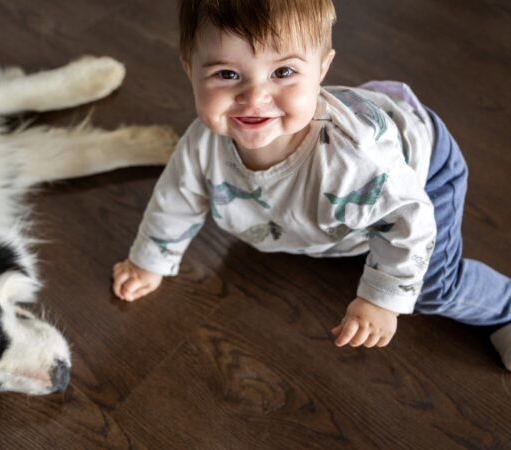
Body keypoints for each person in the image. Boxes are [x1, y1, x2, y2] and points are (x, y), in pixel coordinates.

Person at [111, 0, 511, 368]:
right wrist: (149, 261)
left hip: (420, 172)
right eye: (227, 74)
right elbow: (176, 198)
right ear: (190, 70)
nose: (255, 97)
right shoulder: (202, 144)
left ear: (321, 69)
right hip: (354, 186)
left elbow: (409, 221)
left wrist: (381, 301)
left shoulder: (355, 159)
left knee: (430, 285)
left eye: (283, 72)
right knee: (333, 213)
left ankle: (503, 310)